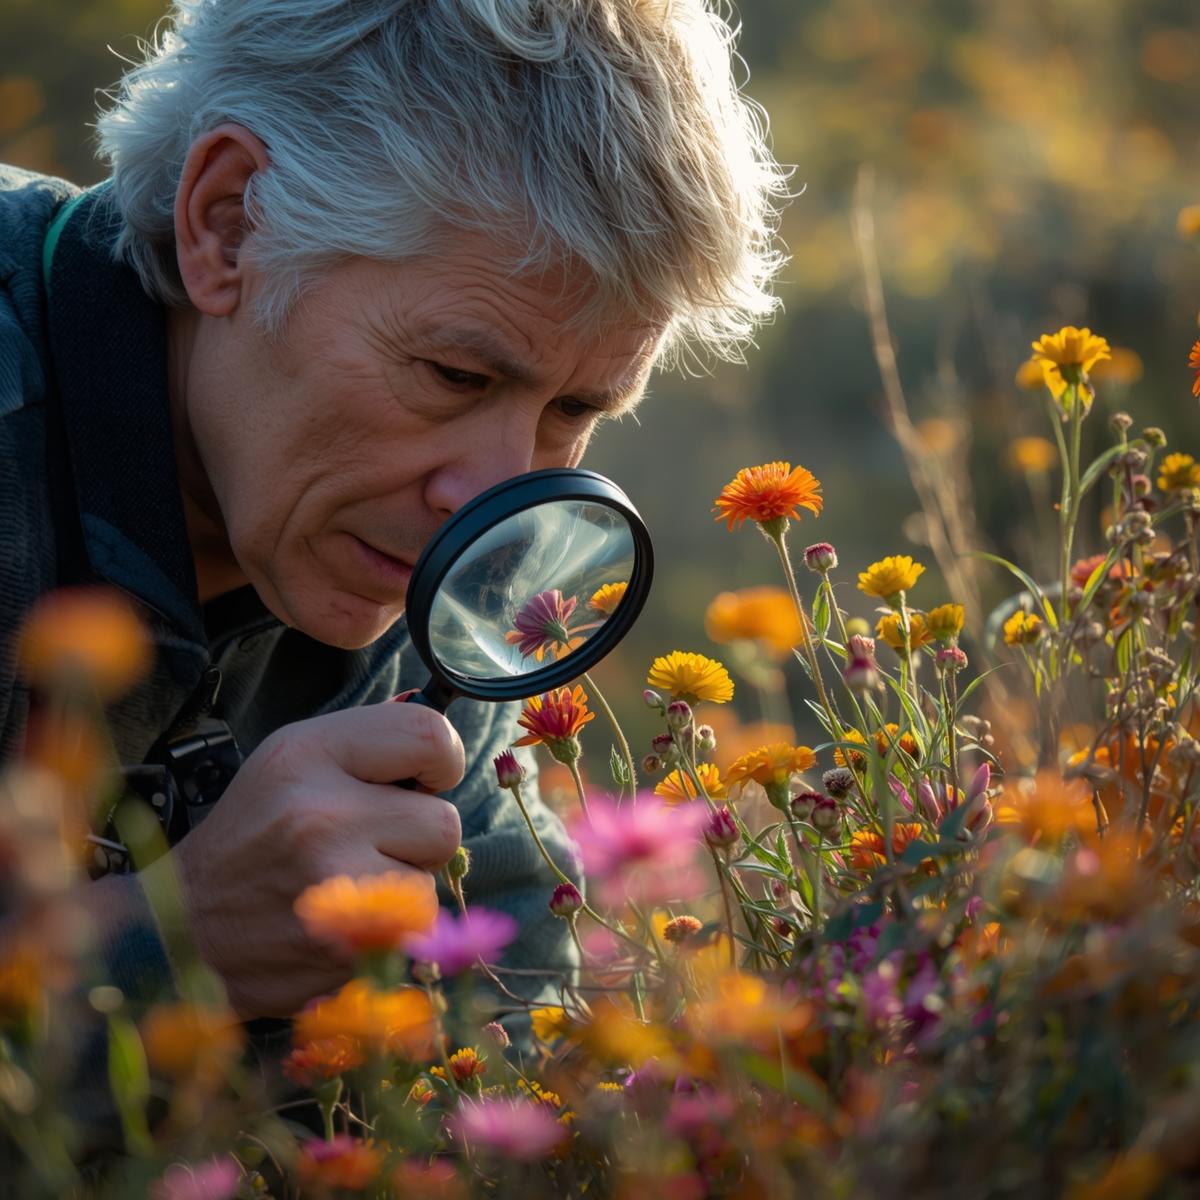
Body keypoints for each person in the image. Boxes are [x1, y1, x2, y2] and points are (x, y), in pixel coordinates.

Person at [0, 0, 787, 1079]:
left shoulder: (412, 550)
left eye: (575, 411)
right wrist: (171, 946)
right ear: (228, 223)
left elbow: (510, 1003)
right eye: (456, 376)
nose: (492, 497)